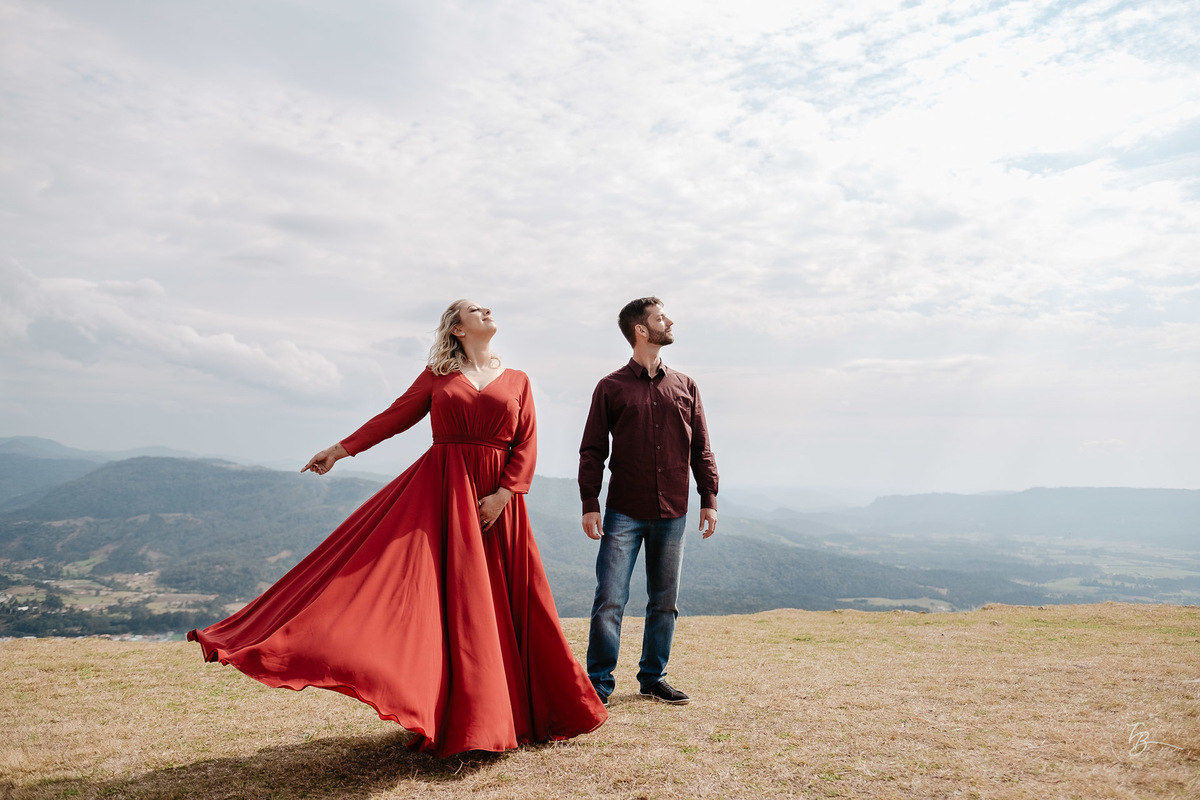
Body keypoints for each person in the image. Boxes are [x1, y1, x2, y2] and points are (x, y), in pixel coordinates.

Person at [189, 299, 606, 758]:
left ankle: (522, 712)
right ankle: (470, 718)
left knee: (510, 601)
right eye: (474, 309)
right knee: (450, 600)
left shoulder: (518, 380)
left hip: (498, 502)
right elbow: (394, 417)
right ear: (457, 329)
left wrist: (505, 493)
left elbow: (526, 441)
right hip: (445, 492)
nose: (486, 310)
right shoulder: (438, 376)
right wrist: (340, 449)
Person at [578, 296, 719, 707]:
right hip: (623, 511)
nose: (669, 321)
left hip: (673, 511)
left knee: (664, 601)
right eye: (660, 317)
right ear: (641, 330)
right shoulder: (610, 387)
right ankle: (598, 684)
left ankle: (653, 678)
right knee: (610, 599)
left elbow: (702, 448)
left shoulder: (686, 385)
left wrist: (708, 497)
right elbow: (592, 451)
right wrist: (590, 502)